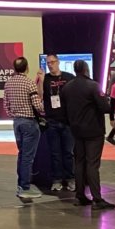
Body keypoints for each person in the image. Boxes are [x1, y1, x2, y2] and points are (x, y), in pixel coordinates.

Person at [61, 60, 114, 210]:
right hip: (93, 131)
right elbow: (105, 107)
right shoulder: (93, 86)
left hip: (76, 130)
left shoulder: (67, 87)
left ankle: (80, 196)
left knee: (79, 163)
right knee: (92, 164)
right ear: (86, 69)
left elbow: (63, 110)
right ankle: (97, 199)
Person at [3, 57, 44, 201]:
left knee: (22, 155)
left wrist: (14, 115)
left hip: (17, 123)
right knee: (27, 157)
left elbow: (6, 105)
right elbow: (38, 106)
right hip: (29, 123)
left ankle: (21, 185)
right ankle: (25, 187)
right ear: (26, 68)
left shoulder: (8, 83)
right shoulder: (29, 83)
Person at [36, 54, 75, 192]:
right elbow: (39, 96)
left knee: (68, 152)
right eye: (48, 63)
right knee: (55, 153)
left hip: (67, 121)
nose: (50, 64)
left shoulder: (69, 77)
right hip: (52, 120)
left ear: (58, 62)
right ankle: (57, 179)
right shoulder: (45, 78)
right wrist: (40, 81)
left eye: (52, 62)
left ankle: (70, 178)